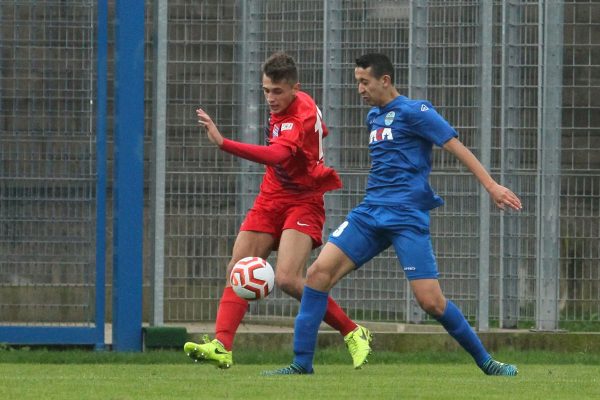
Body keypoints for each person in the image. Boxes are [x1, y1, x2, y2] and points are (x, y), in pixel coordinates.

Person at [263, 53, 522, 376]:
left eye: (364, 82)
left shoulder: (417, 112)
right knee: (317, 275)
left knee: (430, 302)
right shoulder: (374, 116)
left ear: (385, 80)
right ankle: (301, 363)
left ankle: (487, 362)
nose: (359, 88)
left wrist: (492, 186)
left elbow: (457, 147)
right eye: (357, 81)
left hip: (406, 217)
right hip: (370, 212)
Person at [184, 52, 372, 369]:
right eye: (266, 90)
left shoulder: (300, 116)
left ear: (295, 88)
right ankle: (222, 346)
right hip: (272, 195)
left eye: (278, 92)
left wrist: (223, 143)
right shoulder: (294, 108)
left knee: (287, 278)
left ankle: (353, 331)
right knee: (237, 266)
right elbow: (317, 136)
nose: (271, 98)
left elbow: (276, 155)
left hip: (304, 199)